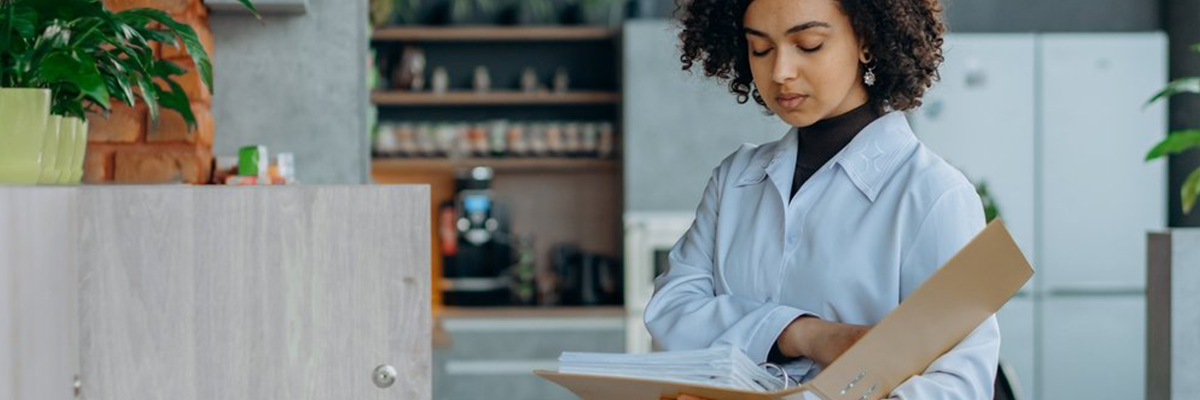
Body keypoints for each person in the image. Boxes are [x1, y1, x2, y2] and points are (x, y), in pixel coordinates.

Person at [643, 0, 999, 399]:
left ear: (866, 41)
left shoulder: (933, 194)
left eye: (809, 44)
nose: (780, 72)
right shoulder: (735, 180)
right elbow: (669, 320)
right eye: (760, 49)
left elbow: (957, 387)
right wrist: (805, 334)